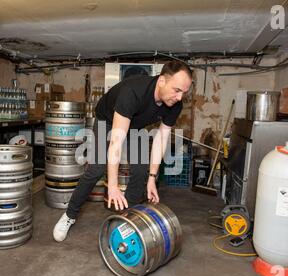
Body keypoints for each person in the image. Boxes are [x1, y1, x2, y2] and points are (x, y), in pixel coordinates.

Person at [53, 60, 193, 242]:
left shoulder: (175, 104)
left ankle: (128, 220)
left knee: (142, 171)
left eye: (185, 92)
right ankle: (69, 216)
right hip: (108, 120)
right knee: (97, 168)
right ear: (161, 81)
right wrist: (112, 185)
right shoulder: (133, 92)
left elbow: (161, 139)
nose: (180, 97)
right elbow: (116, 143)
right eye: (177, 90)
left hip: (136, 125)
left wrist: (152, 178)